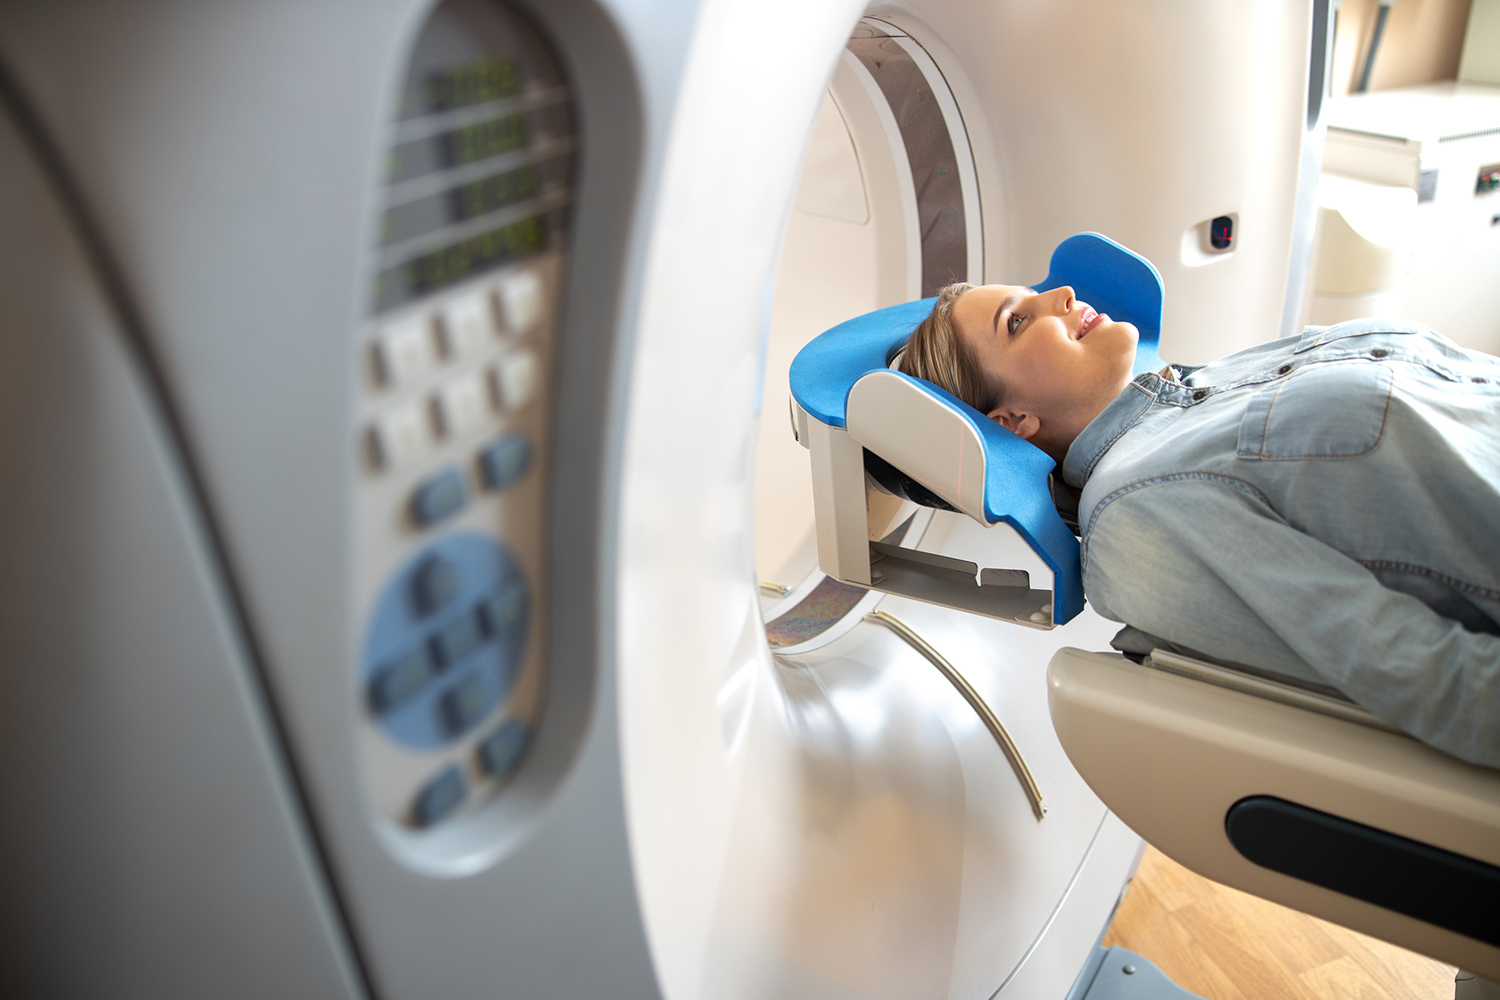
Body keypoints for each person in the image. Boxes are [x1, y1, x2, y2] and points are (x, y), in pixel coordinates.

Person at [897, 281, 1500, 769]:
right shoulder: (1138, 512)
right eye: (1018, 321)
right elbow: (1410, 666)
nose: (1060, 294)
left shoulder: (1203, 385)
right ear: (1015, 420)